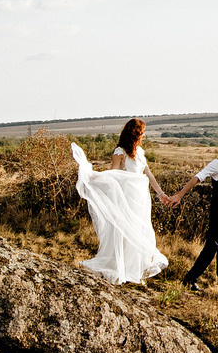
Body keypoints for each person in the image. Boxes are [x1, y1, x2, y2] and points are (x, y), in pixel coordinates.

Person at [70, 118, 171, 284]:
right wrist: (95, 177)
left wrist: (161, 194)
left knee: (139, 229)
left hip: (140, 199)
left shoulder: (140, 152)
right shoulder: (120, 152)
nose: (143, 135)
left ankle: (135, 267)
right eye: (142, 132)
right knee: (124, 230)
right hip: (126, 198)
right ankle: (120, 267)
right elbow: (113, 173)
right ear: (135, 133)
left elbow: (149, 174)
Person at [175, 135, 218, 291]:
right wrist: (179, 195)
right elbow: (197, 178)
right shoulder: (217, 164)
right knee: (212, 246)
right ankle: (190, 279)